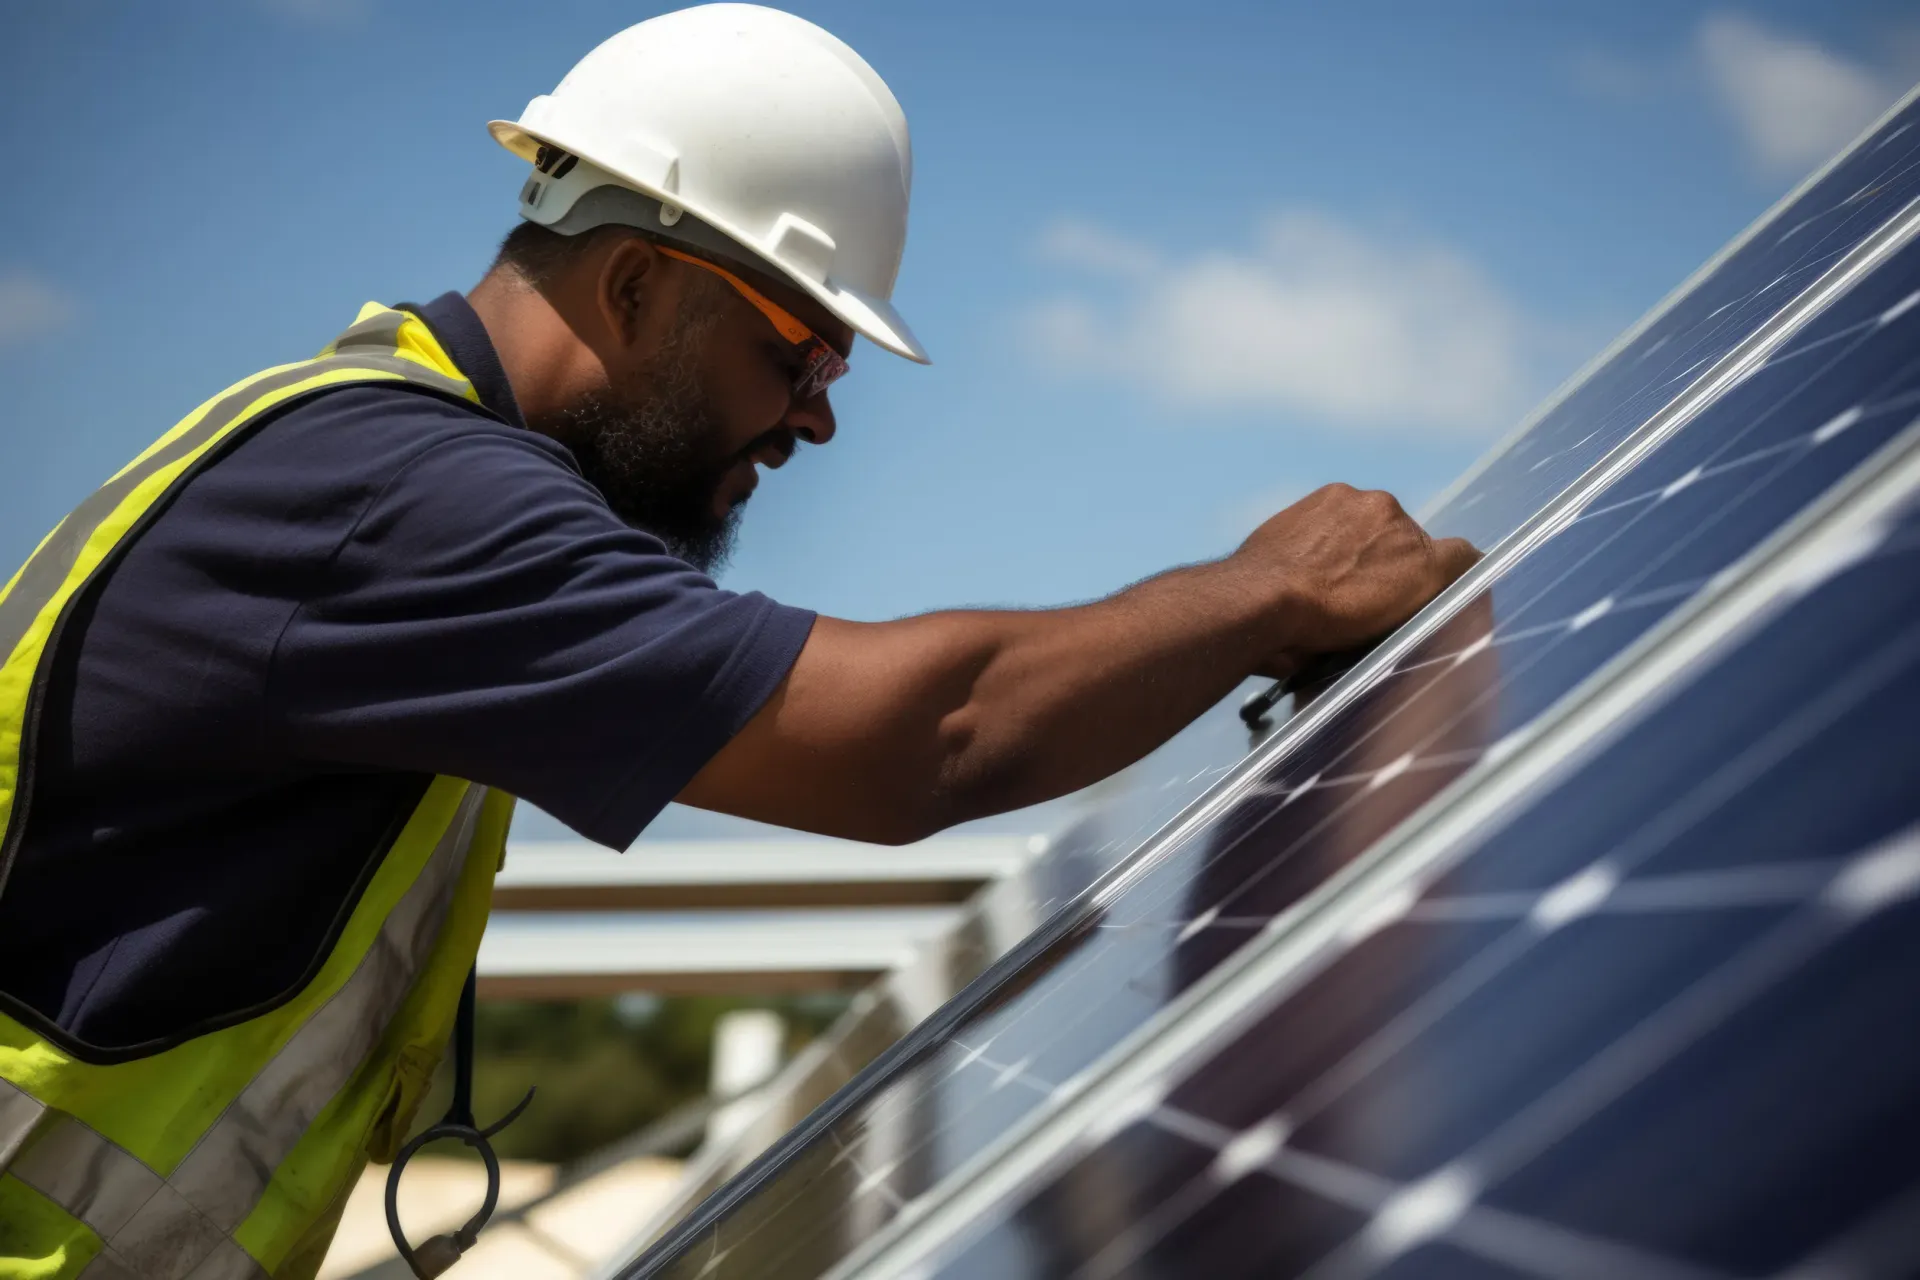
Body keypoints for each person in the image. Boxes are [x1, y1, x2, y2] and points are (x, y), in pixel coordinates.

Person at [0, 6, 1476, 1277]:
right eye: (799, 348)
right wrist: (1266, 589)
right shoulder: (399, 497)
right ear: (639, 283)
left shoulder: (357, 450)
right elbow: (914, 742)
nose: (819, 412)